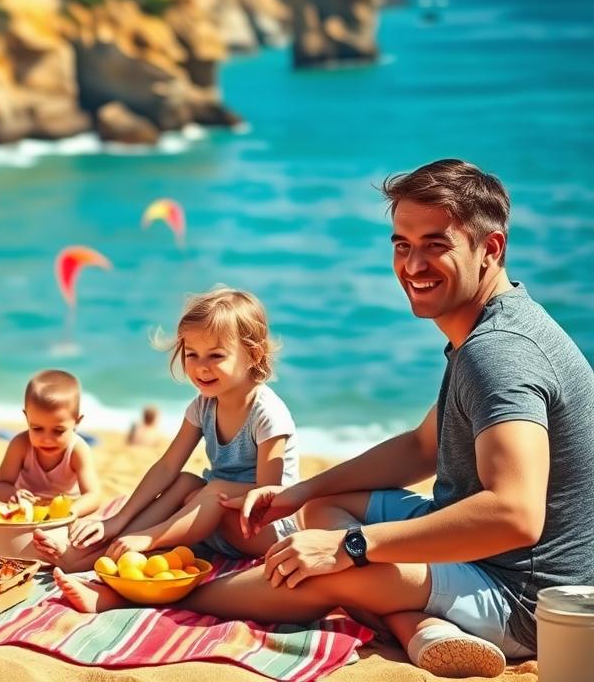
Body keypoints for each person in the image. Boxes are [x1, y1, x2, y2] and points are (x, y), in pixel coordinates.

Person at [52, 160, 594, 679]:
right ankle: (415, 625)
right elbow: (420, 448)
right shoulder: (489, 332)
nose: (412, 265)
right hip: (490, 559)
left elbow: (514, 515)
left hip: (522, 596)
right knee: (321, 508)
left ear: (490, 249)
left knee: (331, 569)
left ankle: (142, 596)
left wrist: (350, 548)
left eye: (436, 245)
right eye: (402, 246)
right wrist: (295, 494)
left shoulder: (498, 352)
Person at [34, 287, 300, 572]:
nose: (201, 367)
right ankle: (92, 553)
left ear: (253, 354)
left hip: (262, 528)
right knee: (186, 481)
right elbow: (167, 467)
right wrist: (117, 519)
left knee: (214, 488)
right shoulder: (203, 405)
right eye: (192, 354)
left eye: (216, 356)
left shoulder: (267, 414)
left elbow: (268, 496)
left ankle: (143, 541)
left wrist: (156, 531)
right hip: (214, 515)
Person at [0, 370, 101, 518]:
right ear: (27, 417)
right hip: (27, 511)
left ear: (77, 421)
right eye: (37, 429)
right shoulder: (20, 445)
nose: (47, 439)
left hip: (65, 513)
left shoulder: (77, 450)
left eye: (58, 431)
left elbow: (93, 496)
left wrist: (71, 512)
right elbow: (0, 484)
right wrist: (13, 494)